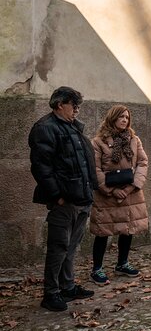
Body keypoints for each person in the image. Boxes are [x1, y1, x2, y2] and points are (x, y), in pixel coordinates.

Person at [29, 86, 98, 311]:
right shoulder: (45, 128)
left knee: (71, 246)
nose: (77, 110)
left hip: (81, 198)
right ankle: (51, 293)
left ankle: (67, 286)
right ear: (60, 104)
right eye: (74, 106)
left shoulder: (72, 128)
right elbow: (42, 168)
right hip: (64, 201)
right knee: (58, 247)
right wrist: (57, 196)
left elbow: (84, 162)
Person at [89, 105, 149, 285]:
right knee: (103, 231)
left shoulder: (134, 139)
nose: (125, 120)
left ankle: (122, 263)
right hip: (107, 193)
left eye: (127, 117)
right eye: (121, 117)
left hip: (130, 193)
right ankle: (97, 269)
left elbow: (143, 162)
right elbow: (95, 169)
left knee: (127, 228)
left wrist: (131, 188)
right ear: (112, 118)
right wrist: (112, 190)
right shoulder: (98, 142)